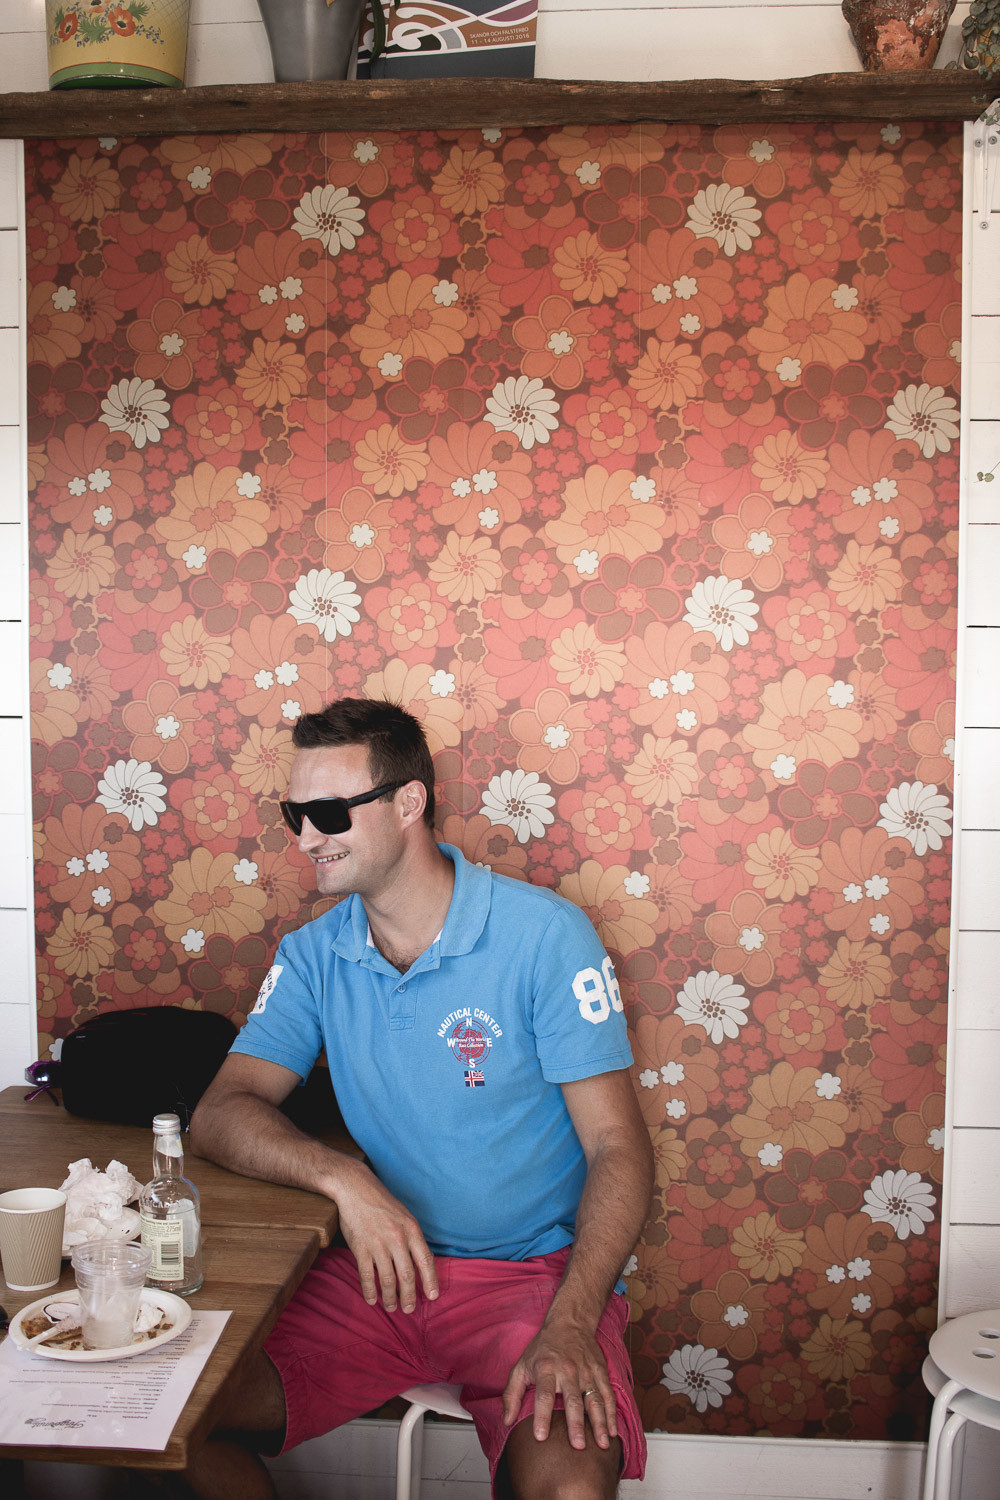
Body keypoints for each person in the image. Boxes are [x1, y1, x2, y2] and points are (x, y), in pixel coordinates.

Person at [188, 697, 653, 1500]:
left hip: (532, 1281)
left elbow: (618, 1145)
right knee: (173, 1415)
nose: (307, 838)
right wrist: (345, 1182)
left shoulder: (546, 935)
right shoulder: (312, 955)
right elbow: (220, 1113)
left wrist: (573, 1319)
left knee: (573, 1489)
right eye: (295, 815)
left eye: (330, 813)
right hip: (380, 1274)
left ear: (409, 803)